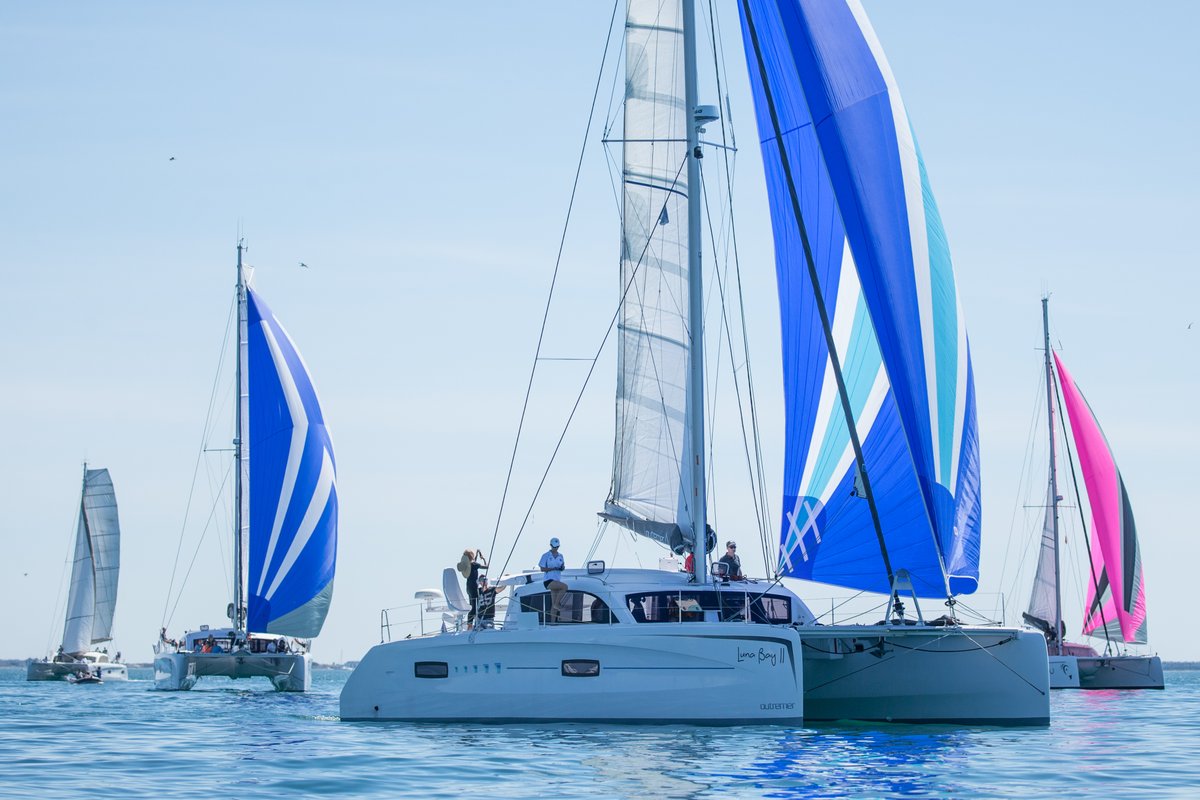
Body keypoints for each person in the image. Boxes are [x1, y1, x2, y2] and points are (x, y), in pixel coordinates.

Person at [538, 537, 568, 623]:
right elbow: (542, 569)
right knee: (564, 587)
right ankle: (556, 604)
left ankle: (552, 623)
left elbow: (562, 566)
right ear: (551, 546)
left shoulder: (560, 556)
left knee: (553, 603)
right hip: (548, 580)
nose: (556, 548)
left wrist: (561, 568)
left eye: (557, 546)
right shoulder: (546, 555)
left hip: (557, 579)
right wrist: (552, 568)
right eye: (554, 547)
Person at [461, 548, 489, 629]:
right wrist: (483, 559)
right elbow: (486, 567)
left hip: (468, 587)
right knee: (475, 607)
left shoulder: (468, 565)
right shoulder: (474, 565)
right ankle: (470, 625)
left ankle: (469, 624)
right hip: (473, 587)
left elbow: (474, 563)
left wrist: (476, 555)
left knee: (472, 605)